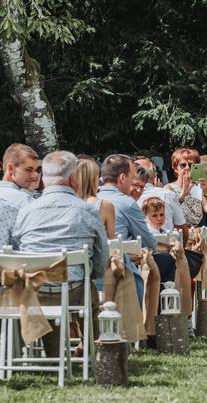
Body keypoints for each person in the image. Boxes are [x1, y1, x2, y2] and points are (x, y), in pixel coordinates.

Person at [12, 151, 108, 354]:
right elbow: (101, 257)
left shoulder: (27, 210)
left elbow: (17, 245)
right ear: (73, 179)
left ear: (44, 179)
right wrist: (94, 275)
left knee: (47, 290)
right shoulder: (87, 210)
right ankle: (94, 351)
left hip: (34, 287)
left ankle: (54, 355)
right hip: (75, 289)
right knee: (87, 293)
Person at [98, 154, 177, 284]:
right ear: (123, 178)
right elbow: (150, 243)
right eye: (131, 178)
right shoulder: (127, 203)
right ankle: (157, 302)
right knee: (168, 260)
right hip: (123, 268)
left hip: (97, 268)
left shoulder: (92, 200)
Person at [164, 148, 207, 226]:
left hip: (195, 235)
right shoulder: (168, 188)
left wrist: (206, 191)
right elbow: (167, 213)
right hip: (176, 235)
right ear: (175, 168)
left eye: (191, 165)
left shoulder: (198, 188)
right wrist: (183, 194)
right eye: (183, 165)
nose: (187, 168)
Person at [0, 143, 40, 209]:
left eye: (37, 170)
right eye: (29, 170)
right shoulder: (23, 200)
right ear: (11, 168)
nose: (36, 175)